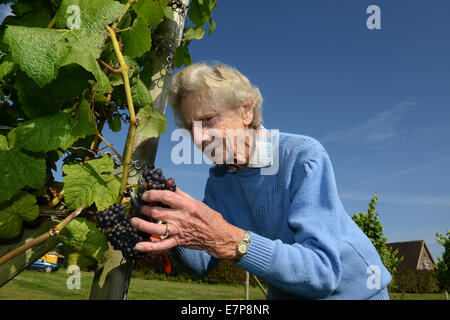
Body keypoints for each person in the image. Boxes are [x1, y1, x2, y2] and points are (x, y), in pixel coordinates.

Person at [130, 63, 392, 299]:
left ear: (246, 111)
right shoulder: (219, 180)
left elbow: (322, 274)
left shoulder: (302, 156)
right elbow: (200, 265)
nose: (198, 138)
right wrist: (172, 229)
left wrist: (233, 241)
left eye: (208, 120)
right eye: (190, 128)